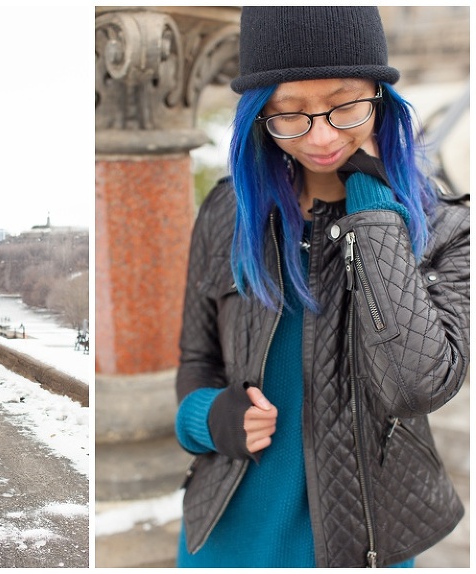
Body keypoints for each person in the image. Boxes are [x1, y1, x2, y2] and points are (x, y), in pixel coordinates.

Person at [175, 6, 469, 569]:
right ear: (261, 119)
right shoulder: (228, 214)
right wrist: (208, 419)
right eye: (290, 115)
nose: (322, 136)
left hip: (360, 542)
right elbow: (196, 363)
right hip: (225, 535)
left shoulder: (447, 230)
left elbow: (415, 387)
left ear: (381, 96)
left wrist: (373, 203)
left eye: (345, 104)